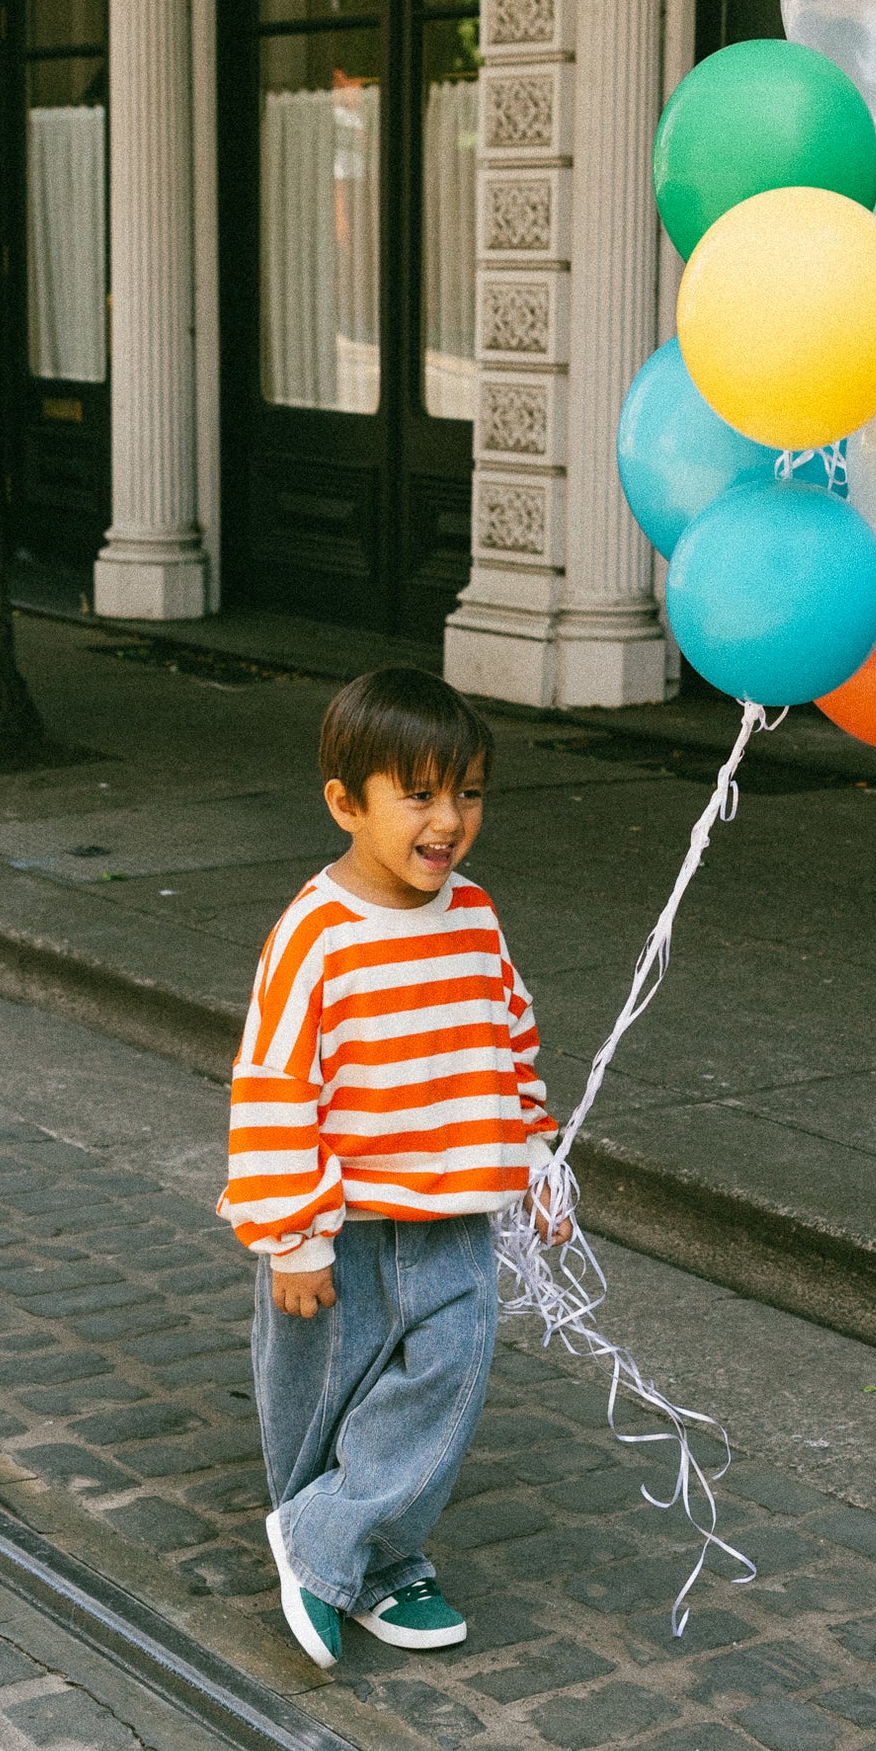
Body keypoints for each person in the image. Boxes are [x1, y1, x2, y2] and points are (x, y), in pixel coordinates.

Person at [216, 666, 570, 1670]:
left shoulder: (473, 914)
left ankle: (342, 1541)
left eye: (467, 792)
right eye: (417, 794)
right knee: (322, 1398)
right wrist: (293, 1233)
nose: (448, 819)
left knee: (443, 1381)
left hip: (453, 1211)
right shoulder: (316, 936)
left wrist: (532, 1152)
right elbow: (274, 1083)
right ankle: (347, 1550)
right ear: (346, 802)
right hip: (346, 1224)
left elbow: (505, 1042)